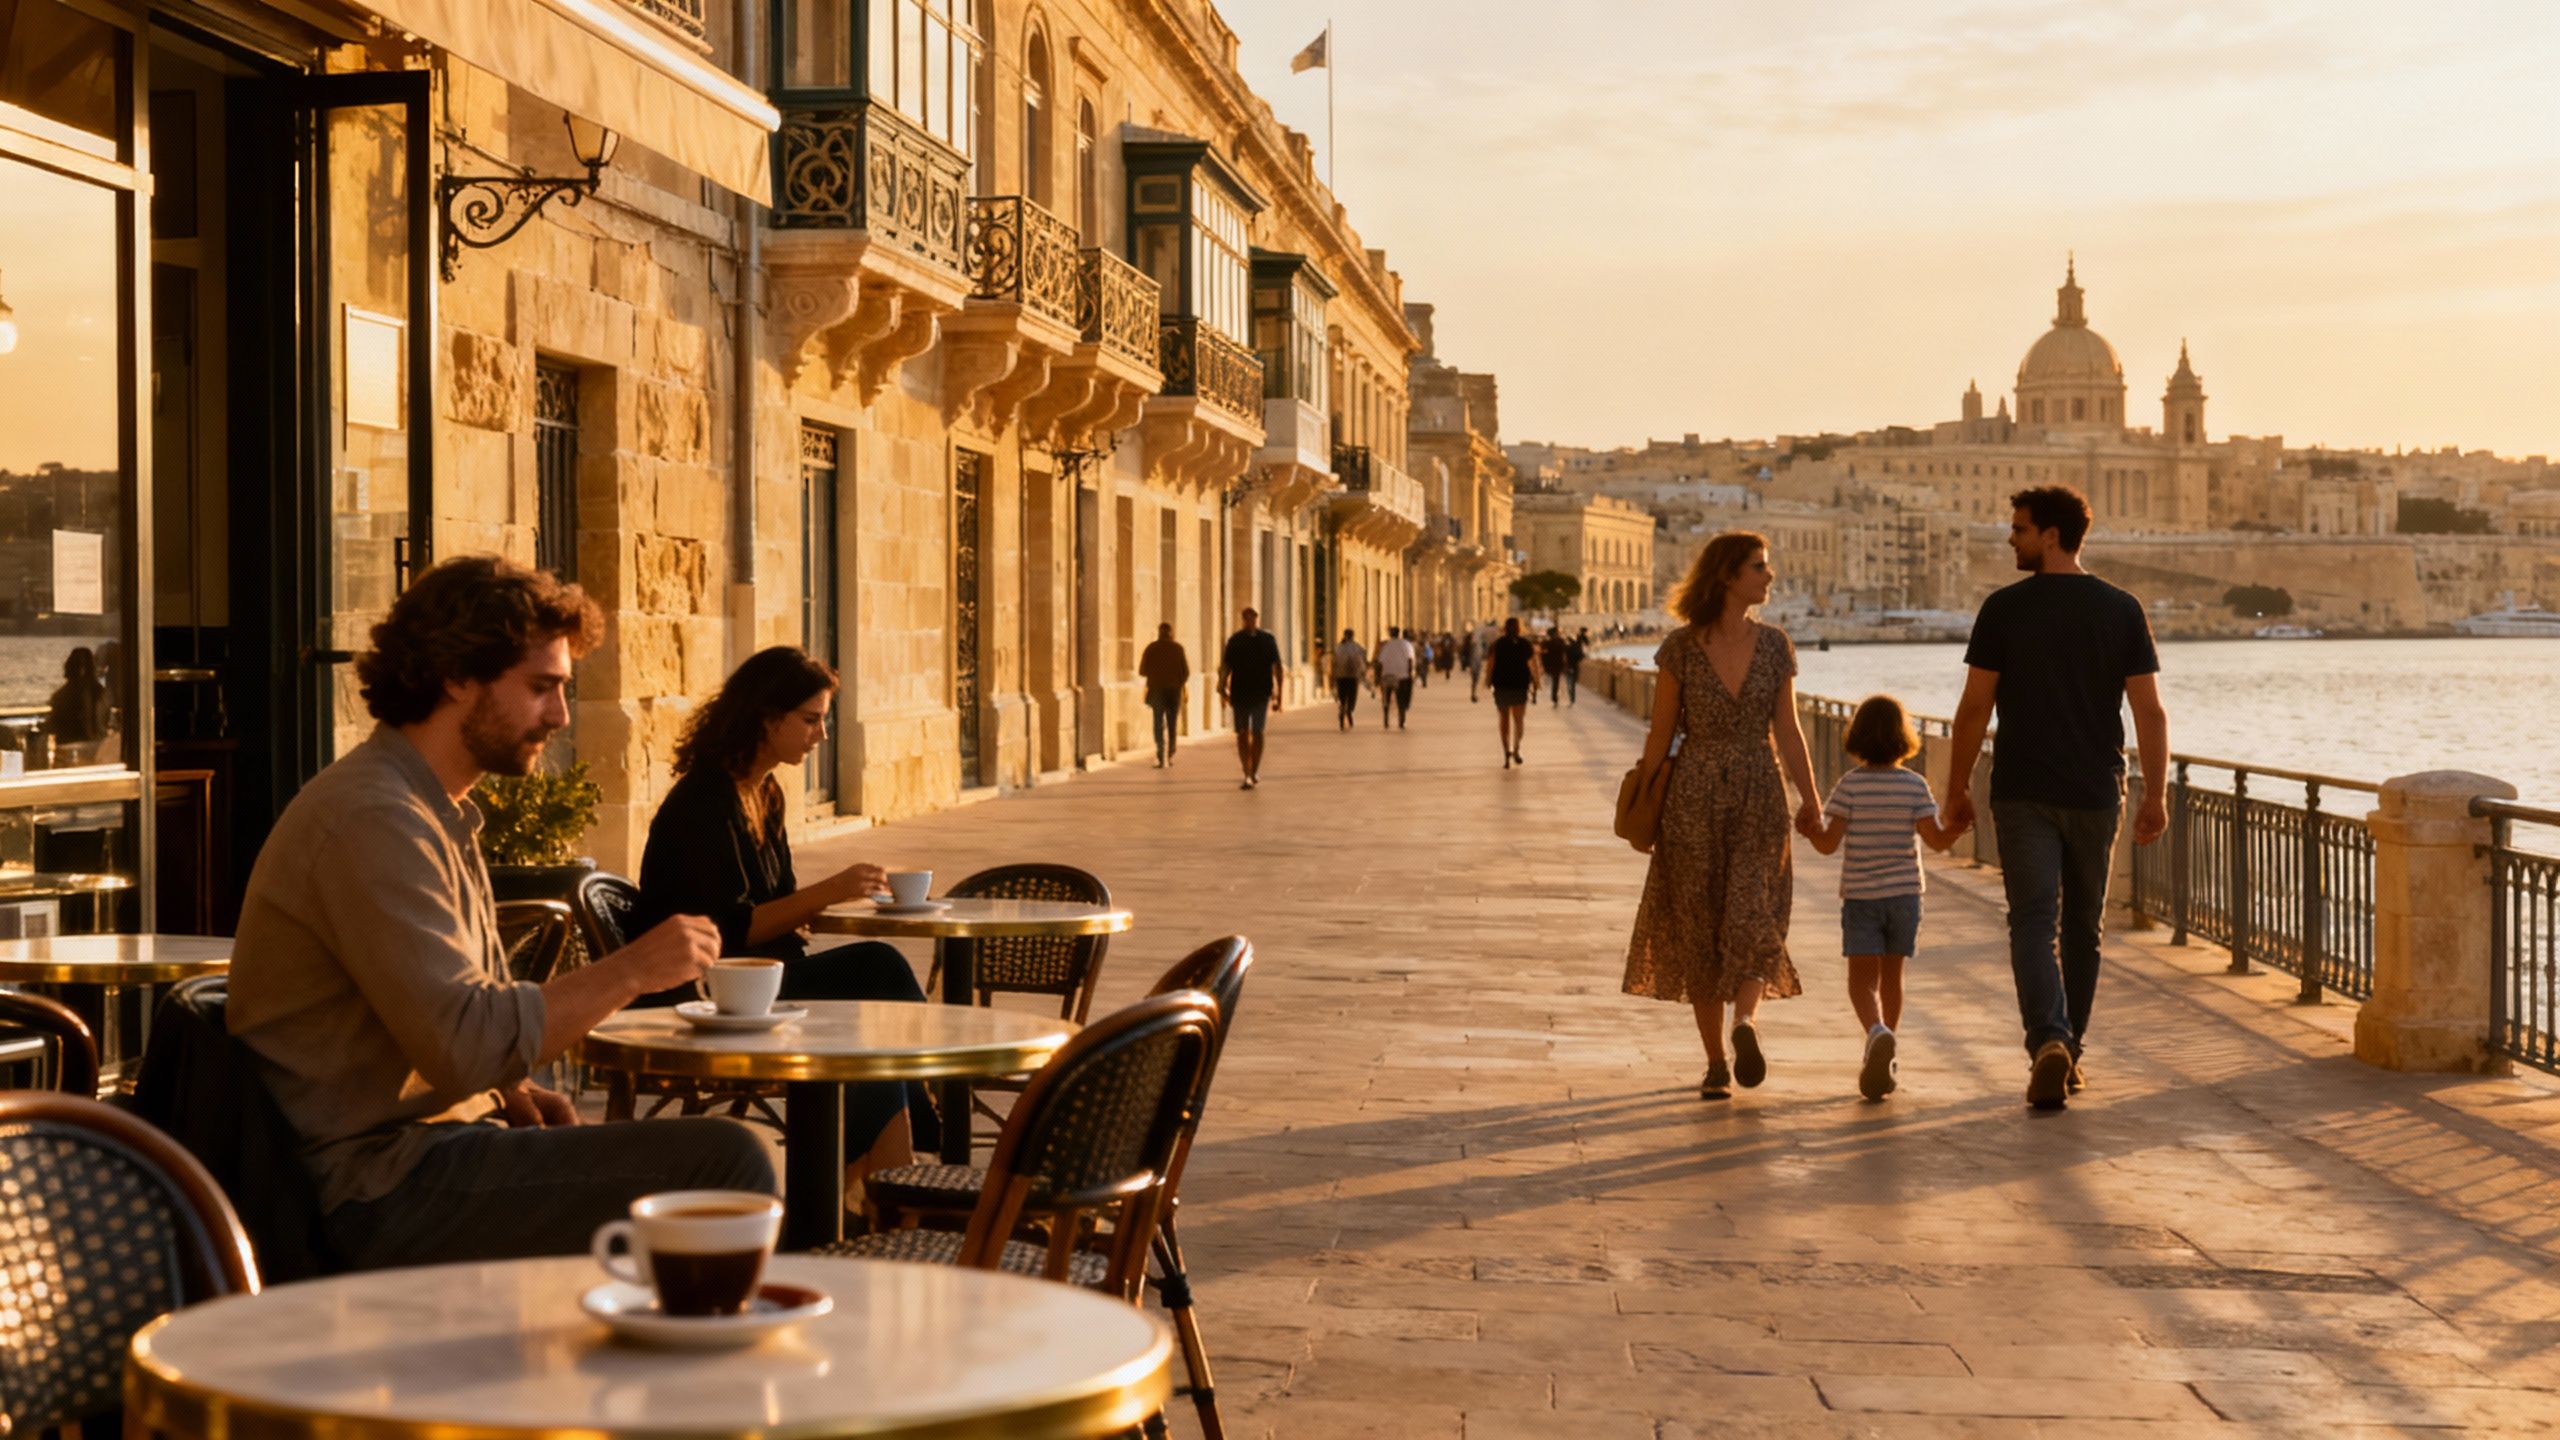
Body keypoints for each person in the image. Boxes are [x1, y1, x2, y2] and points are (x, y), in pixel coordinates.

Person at [228, 557, 771, 1272]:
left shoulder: (426, 808)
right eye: (542, 687)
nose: (561, 715)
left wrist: (510, 1090)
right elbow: (465, 1043)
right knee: (726, 1161)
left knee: (709, 1163)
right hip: (373, 1190)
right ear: (457, 677)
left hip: (430, 1150)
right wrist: (633, 968)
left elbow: (447, 1027)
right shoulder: (373, 818)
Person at [634, 646, 939, 1180]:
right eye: (810, 720)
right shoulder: (706, 801)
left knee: (876, 987)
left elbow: (781, 901)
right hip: (716, 993)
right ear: (765, 716)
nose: (821, 735)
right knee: (876, 976)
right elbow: (733, 930)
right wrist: (834, 888)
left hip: (762, 975)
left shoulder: (765, 793)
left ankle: (885, 1171)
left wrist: (842, 900)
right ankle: (916, 1143)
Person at [1944, 486, 2169, 1111]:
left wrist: (1956, 787)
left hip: (2022, 791)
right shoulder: (2121, 608)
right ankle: (2070, 1050)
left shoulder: (2004, 610)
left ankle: (2049, 1037)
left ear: (2049, 535)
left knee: (2032, 922)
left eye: (2018, 529)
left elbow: (1972, 711)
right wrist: (2156, 792)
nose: (2009, 539)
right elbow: (2149, 712)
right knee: (2082, 930)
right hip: (2098, 789)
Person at [1621, 532, 1822, 1101]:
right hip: (1754, 788)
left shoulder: (1687, 648)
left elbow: (1661, 736)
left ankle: (1720, 1056)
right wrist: (1810, 799)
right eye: (1759, 567)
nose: (1769, 576)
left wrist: (1645, 801)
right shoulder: (1753, 646)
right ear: (1728, 576)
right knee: (1744, 914)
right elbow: (1787, 733)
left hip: (1700, 792)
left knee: (1715, 922)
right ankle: (1743, 1026)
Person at [1803, 695, 1965, 1100]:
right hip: (1906, 897)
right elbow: (1936, 841)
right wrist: (1958, 828)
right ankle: (1888, 1044)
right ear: (1903, 738)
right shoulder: (1914, 785)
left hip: (1861, 896)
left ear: (1856, 736)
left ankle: (1876, 1033)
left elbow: (1828, 844)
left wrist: (1809, 829)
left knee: (1861, 982)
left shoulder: (1849, 786)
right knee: (1893, 977)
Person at [1219, 607, 1286, 790]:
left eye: (1252, 617)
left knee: (1257, 732)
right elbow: (1226, 666)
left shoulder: (1267, 640)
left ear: (1257, 618)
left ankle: (1254, 769)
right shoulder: (1235, 641)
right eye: (1246, 617)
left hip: (1261, 693)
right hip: (1239, 694)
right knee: (1242, 733)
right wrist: (1221, 686)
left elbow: (1277, 667)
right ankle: (1246, 772)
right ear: (1242, 619)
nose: (1249, 620)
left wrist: (1279, 694)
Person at [1486, 617, 1540, 768]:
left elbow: (1490, 665)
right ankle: (1516, 749)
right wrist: (1536, 683)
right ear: (1519, 628)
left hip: (1501, 686)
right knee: (1518, 721)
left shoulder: (1497, 645)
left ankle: (1506, 752)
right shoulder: (1525, 644)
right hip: (1519, 686)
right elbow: (1533, 664)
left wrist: (1487, 682)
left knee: (1504, 720)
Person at [1139, 622, 1190, 768]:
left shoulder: (1151, 648)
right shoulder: (1178, 649)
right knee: (1172, 721)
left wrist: (1155, 674)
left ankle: (1161, 754)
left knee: (1158, 721)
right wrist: (1177, 680)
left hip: (1156, 690)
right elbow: (1185, 672)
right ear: (1171, 633)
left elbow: (1142, 671)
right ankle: (1171, 752)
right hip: (1174, 690)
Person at [1375, 625, 1418, 729]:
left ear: (1391, 634)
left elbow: (1380, 662)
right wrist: (1410, 674)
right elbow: (1410, 660)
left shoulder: (1386, 645)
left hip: (1387, 675)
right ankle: (1402, 720)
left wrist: (1378, 677)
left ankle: (1386, 719)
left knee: (1386, 698)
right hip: (1402, 676)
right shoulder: (1406, 644)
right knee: (1401, 699)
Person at [1329, 628, 1368, 731]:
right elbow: (1363, 661)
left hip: (1340, 677)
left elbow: (1333, 664)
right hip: (1353, 677)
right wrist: (1363, 674)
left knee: (1342, 697)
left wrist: (1332, 678)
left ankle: (1343, 709)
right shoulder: (1357, 648)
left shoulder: (1338, 648)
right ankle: (1348, 711)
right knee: (1352, 698)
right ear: (1352, 635)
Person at [1539, 628, 1570, 706]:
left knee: (1555, 680)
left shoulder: (1547, 643)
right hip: (1558, 664)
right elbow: (1564, 653)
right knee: (1556, 680)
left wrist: (1544, 664)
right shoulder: (1561, 642)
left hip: (1551, 664)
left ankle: (1554, 697)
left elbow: (1543, 654)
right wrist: (1565, 664)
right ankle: (1554, 697)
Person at [1566, 628, 1592, 705]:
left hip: (1568, 666)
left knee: (1569, 682)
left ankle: (1571, 695)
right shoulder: (1578, 645)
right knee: (1573, 682)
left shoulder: (1568, 648)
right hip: (1575, 666)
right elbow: (1581, 654)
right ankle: (1572, 697)